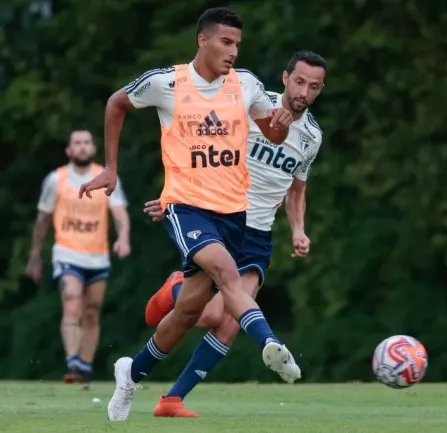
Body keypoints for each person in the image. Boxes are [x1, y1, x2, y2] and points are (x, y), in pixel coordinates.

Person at [78, 7, 301, 421]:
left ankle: (131, 373)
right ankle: (271, 344)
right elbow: (116, 103)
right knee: (227, 273)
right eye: (226, 42)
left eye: (237, 44)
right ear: (203, 40)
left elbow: (271, 132)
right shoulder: (168, 83)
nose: (233, 51)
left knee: (187, 315)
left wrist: (282, 123)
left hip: (234, 212)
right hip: (186, 205)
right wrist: (110, 167)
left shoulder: (247, 84)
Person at [142, 51, 326, 417]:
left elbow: (297, 189)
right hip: (220, 216)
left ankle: (172, 400)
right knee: (209, 316)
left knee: (229, 322)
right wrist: (178, 196)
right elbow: (203, 146)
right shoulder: (252, 104)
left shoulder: (312, 136)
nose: (305, 91)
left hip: (258, 235)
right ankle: (177, 287)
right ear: (285, 77)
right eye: (300, 81)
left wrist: (299, 229)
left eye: (315, 86)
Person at [26, 129, 131, 387]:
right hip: (67, 253)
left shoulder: (105, 177)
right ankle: (73, 360)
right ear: (69, 150)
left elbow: (120, 213)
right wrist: (35, 254)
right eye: (77, 143)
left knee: (92, 312)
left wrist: (123, 238)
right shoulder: (56, 180)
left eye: (87, 143)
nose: (82, 147)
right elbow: (43, 219)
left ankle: (83, 366)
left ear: (93, 149)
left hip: (97, 256)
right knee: (72, 303)